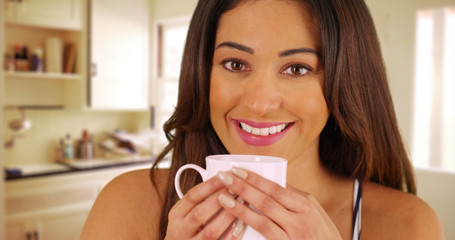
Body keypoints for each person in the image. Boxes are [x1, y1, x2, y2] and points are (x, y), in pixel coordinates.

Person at [80, 0, 445, 239]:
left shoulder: (407, 225)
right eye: (235, 64)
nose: (259, 104)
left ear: (344, 81)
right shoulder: (127, 204)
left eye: (297, 68)